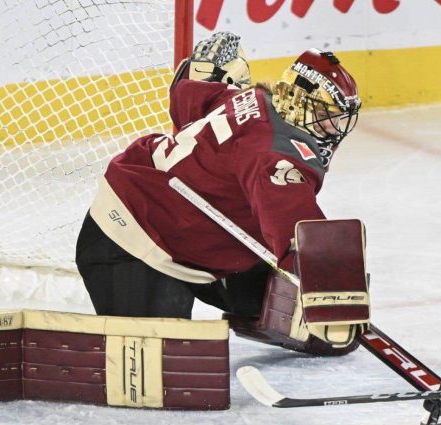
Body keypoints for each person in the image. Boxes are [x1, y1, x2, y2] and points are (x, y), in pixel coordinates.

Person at [75, 32, 364, 355]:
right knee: (164, 372)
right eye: (327, 117)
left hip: (194, 235)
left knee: (298, 310)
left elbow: (188, 96)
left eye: (340, 119)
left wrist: (203, 69)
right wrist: (329, 292)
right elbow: (295, 230)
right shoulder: (278, 158)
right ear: (300, 103)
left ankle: (242, 292)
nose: (334, 129)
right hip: (133, 243)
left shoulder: (251, 99)